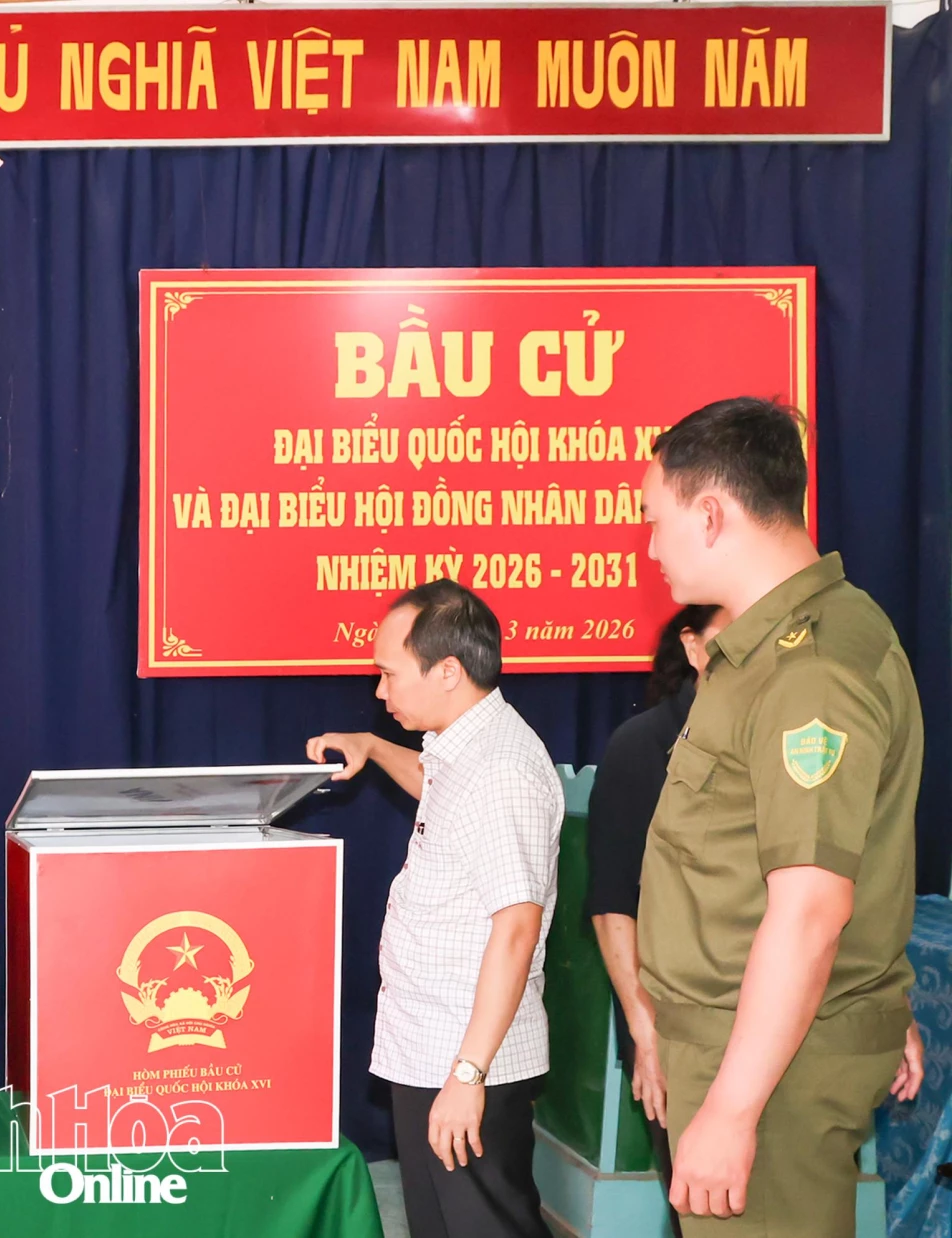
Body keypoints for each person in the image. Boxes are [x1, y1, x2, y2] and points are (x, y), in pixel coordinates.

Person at [638, 396, 925, 1232]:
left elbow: (809, 911)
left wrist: (733, 1111)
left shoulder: (811, 670)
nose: (650, 549)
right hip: (756, 1044)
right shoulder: (772, 646)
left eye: (656, 523)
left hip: (769, 1068)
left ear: (711, 515)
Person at [309, 579, 563, 1238]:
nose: (379, 691)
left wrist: (467, 1076)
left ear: (448, 671)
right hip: (431, 1049)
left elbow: (517, 928)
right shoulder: (466, 748)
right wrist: (373, 748)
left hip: (466, 1058)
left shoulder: (501, 769)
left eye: (390, 674)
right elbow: (438, 787)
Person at [587, 604, 727, 1238]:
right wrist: (647, 1037)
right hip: (677, 1028)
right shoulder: (641, 746)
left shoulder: (781, 732)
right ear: (692, 647)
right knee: (701, 1206)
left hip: (775, 1018)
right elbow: (612, 902)